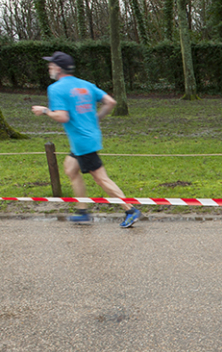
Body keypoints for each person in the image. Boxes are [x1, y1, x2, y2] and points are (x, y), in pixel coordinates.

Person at [31, 51, 141, 228]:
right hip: (88, 136)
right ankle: (82, 211)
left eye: (51, 64)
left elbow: (62, 117)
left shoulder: (56, 88)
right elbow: (110, 102)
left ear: (58, 68)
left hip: (82, 141)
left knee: (101, 179)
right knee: (70, 168)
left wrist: (44, 111)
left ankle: (130, 209)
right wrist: (96, 119)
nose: (49, 67)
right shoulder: (86, 85)